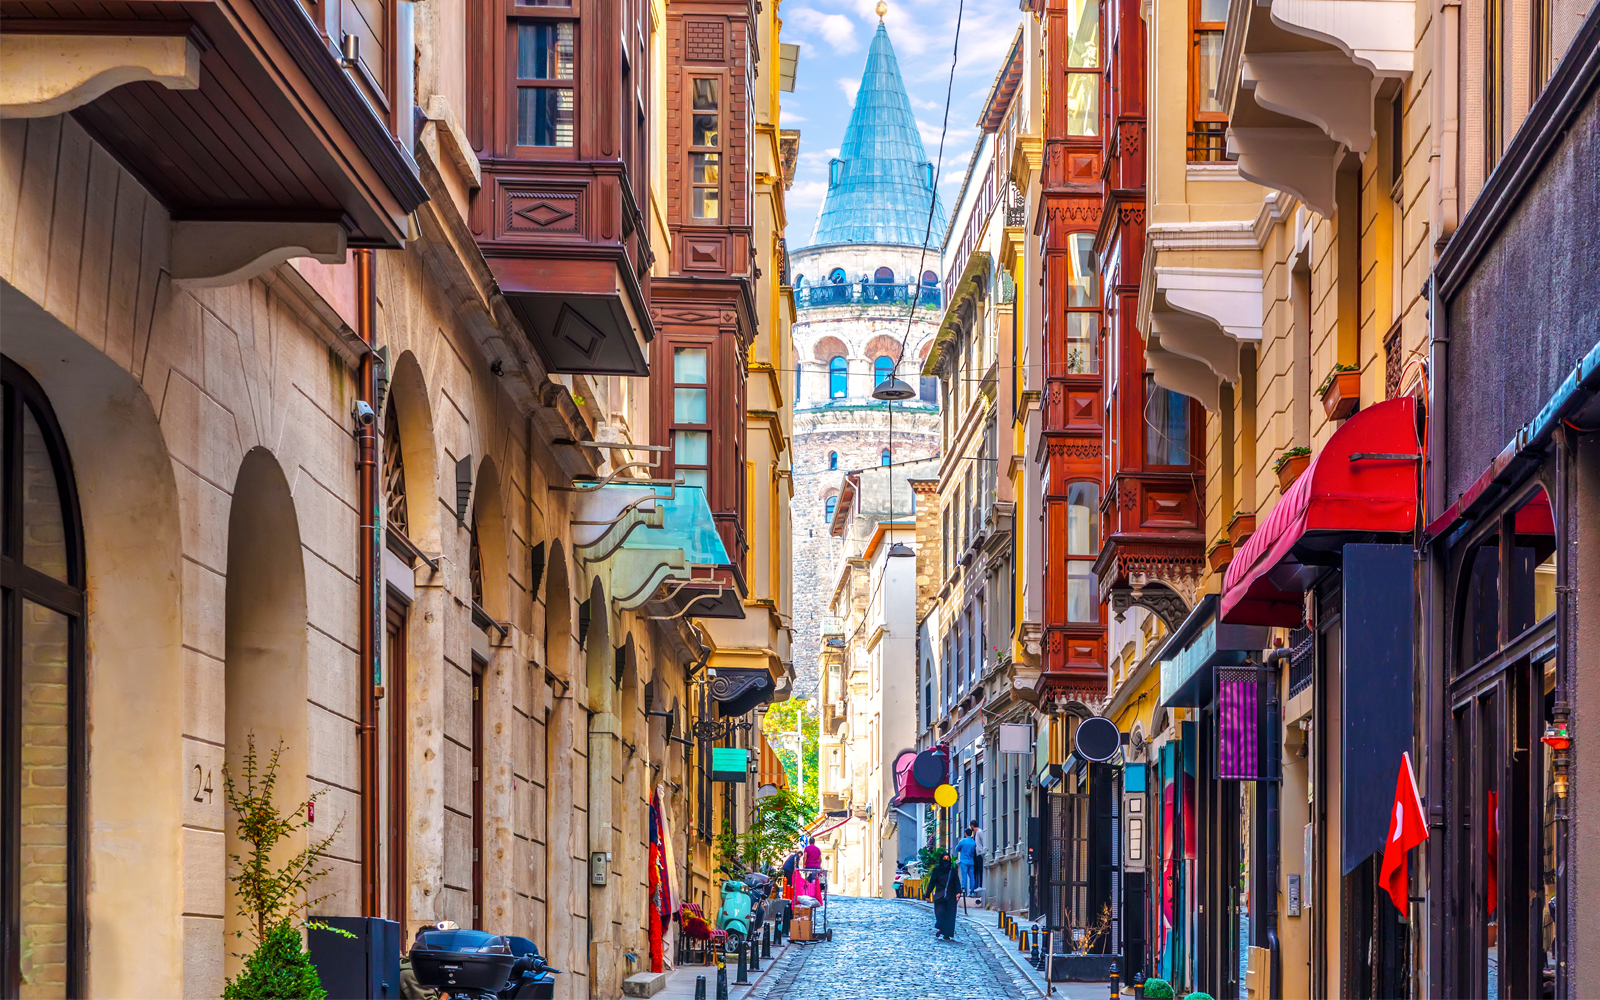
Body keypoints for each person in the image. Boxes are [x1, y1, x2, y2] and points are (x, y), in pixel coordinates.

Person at [928, 850, 960, 941]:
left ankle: (947, 934)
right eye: (944, 859)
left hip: (951, 896)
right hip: (939, 895)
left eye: (948, 859)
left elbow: (956, 881)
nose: (946, 860)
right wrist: (928, 893)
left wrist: (958, 892)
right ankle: (940, 928)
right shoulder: (937, 870)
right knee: (940, 913)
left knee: (949, 915)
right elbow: (932, 882)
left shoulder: (952, 870)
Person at [955, 822, 980, 898]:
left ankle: (964, 892)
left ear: (965, 834)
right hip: (971, 861)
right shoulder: (973, 842)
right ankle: (972, 892)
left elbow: (957, 849)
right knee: (971, 877)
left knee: (964, 877)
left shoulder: (962, 841)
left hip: (963, 861)